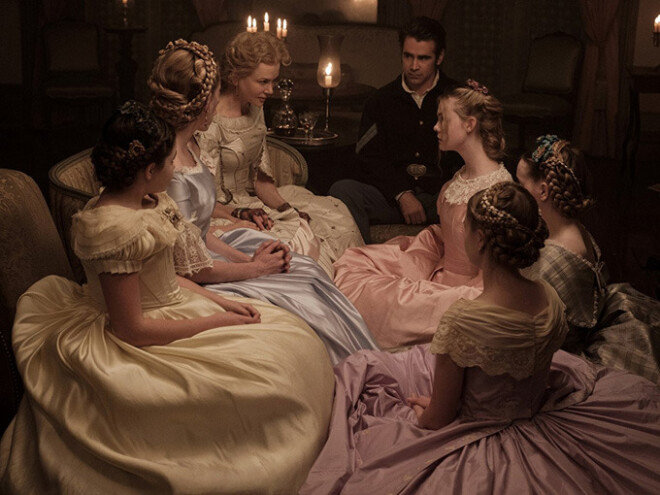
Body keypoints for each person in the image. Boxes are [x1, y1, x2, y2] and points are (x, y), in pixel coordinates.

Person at [0, 102, 334, 493]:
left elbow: (166, 278)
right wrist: (218, 321)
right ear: (148, 170)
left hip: (174, 305)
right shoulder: (114, 230)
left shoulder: (149, 200)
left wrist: (223, 302)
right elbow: (132, 329)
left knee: (293, 340)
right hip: (134, 338)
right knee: (266, 374)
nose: (176, 169)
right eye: (171, 163)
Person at [301, 182, 660, 494]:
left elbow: (439, 418)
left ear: (481, 239)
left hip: (482, 438)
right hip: (534, 412)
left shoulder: (464, 320)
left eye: (466, 227)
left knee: (372, 410)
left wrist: (421, 410)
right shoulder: (548, 296)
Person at [149, 39, 379, 364]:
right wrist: (254, 267)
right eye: (213, 95)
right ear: (202, 104)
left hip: (210, 251)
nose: (215, 103)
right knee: (298, 288)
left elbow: (196, 232)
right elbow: (188, 262)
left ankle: (362, 361)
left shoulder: (190, 149)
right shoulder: (170, 166)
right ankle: (342, 364)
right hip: (198, 269)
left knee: (307, 269)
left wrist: (249, 258)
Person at [333, 80, 512, 348]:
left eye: (443, 119)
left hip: (467, 291)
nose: (435, 127)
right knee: (356, 268)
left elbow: (495, 272)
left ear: (469, 124)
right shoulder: (461, 176)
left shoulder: (497, 191)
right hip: (439, 267)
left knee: (389, 301)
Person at [197, 31, 364, 277]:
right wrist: (239, 216)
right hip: (220, 212)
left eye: (273, 81)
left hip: (253, 201)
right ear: (235, 77)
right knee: (293, 242)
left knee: (333, 218)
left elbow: (261, 179)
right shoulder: (210, 122)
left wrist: (288, 209)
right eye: (262, 81)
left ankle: (345, 285)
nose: (270, 90)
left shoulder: (255, 108)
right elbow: (202, 200)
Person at [517, 135, 660, 383]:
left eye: (520, 184)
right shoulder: (573, 228)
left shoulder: (551, 259)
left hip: (564, 351)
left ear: (543, 190)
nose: (516, 191)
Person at [329, 16, 463, 243]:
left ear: (439, 57)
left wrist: (450, 189)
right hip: (392, 198)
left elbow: (470, 153)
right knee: (343, 190)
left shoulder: (457, 96)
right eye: (408, 56)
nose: (413, 66)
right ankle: (363, 256)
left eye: (423, 58)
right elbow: (369, 158)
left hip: (441, 198)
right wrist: (402, 194)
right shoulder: (380, 100)